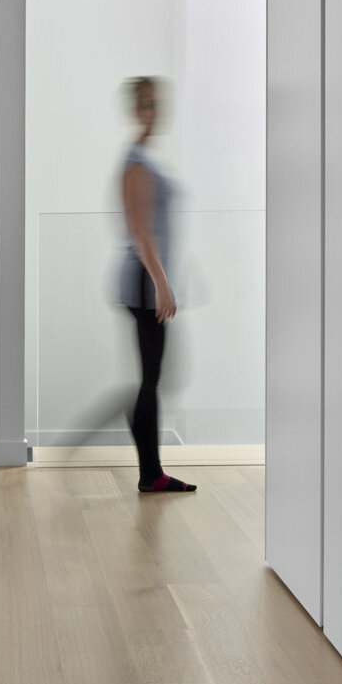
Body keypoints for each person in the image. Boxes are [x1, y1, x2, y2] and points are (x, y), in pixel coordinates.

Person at [117, 76, 196, 494]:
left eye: (156, 104)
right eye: (145, 104)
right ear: (135, 110)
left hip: (148, 278)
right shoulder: (136, 162)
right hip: (143, 280)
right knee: (152, 378)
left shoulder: (145, 157)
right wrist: (161, 285)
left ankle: (151, 469)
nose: (152, 111)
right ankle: (151, 474)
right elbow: (140, 231)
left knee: (154, 377)